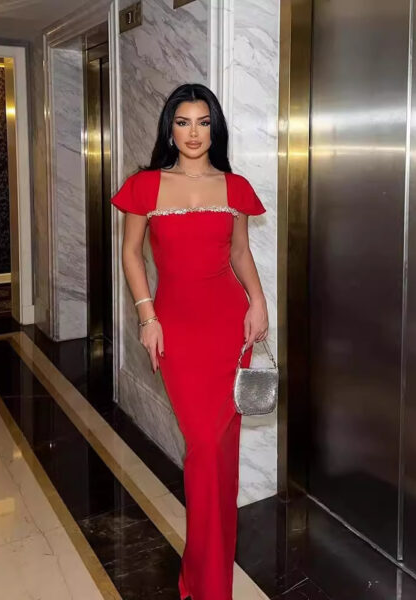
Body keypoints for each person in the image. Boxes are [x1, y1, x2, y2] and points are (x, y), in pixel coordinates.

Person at [110, 82, 269, 600]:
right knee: (202, 446)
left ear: (214, 128)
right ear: (169, 128)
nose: (194, 132)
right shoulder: (145, 186)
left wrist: (260, 303)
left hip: (229, 327)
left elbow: (240, 254)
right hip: (175, 329)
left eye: (203, 122)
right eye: (184, 122)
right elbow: (132, 254)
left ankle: (206, 578)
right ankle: (204, 580)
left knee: (221, 454)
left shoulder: (235, 186)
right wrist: (146, 316)